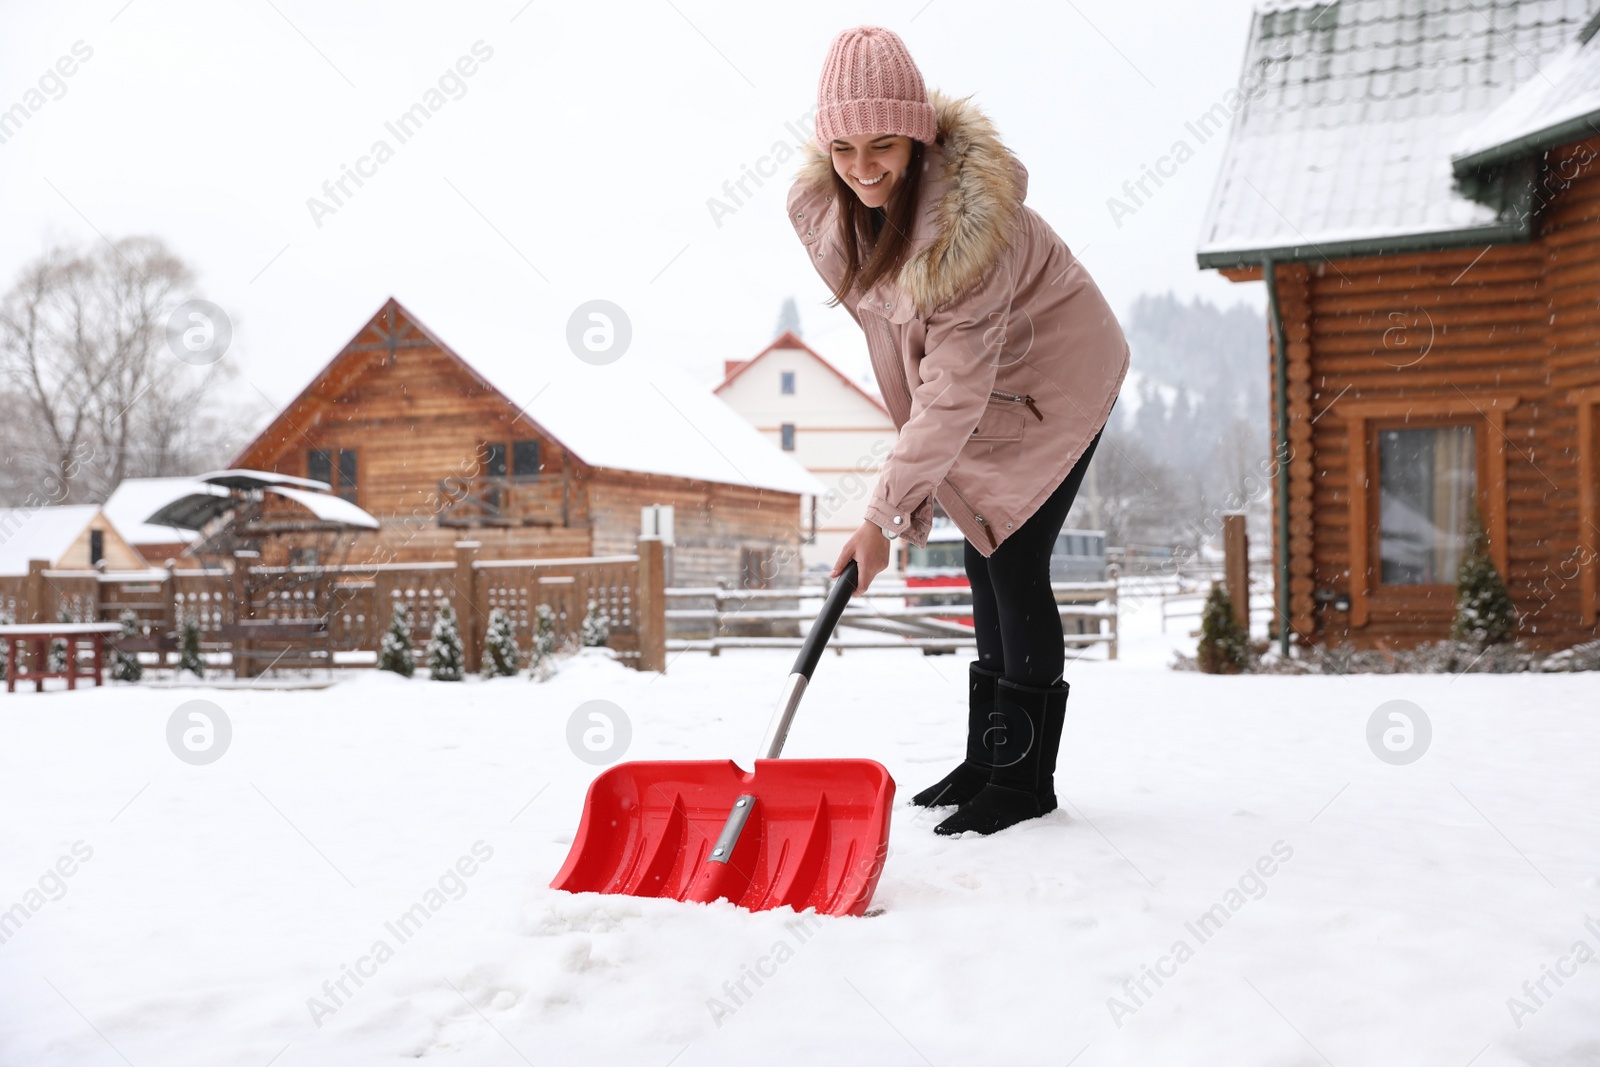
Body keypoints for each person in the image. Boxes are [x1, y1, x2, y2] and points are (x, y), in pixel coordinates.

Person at [787, 26, 1129, 836]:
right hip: (989, 389)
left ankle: (1022, 781)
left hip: (1061, 383)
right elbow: (912, 357)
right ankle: (988, 757)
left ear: (919, 134)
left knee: (1012, 558)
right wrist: (909, 493)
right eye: (843, 147)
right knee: (983, 555)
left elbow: (949, 392)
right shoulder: (845, 218)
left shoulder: (976, 234)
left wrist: (880, 516)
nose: (863, 167)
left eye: (883, 145)